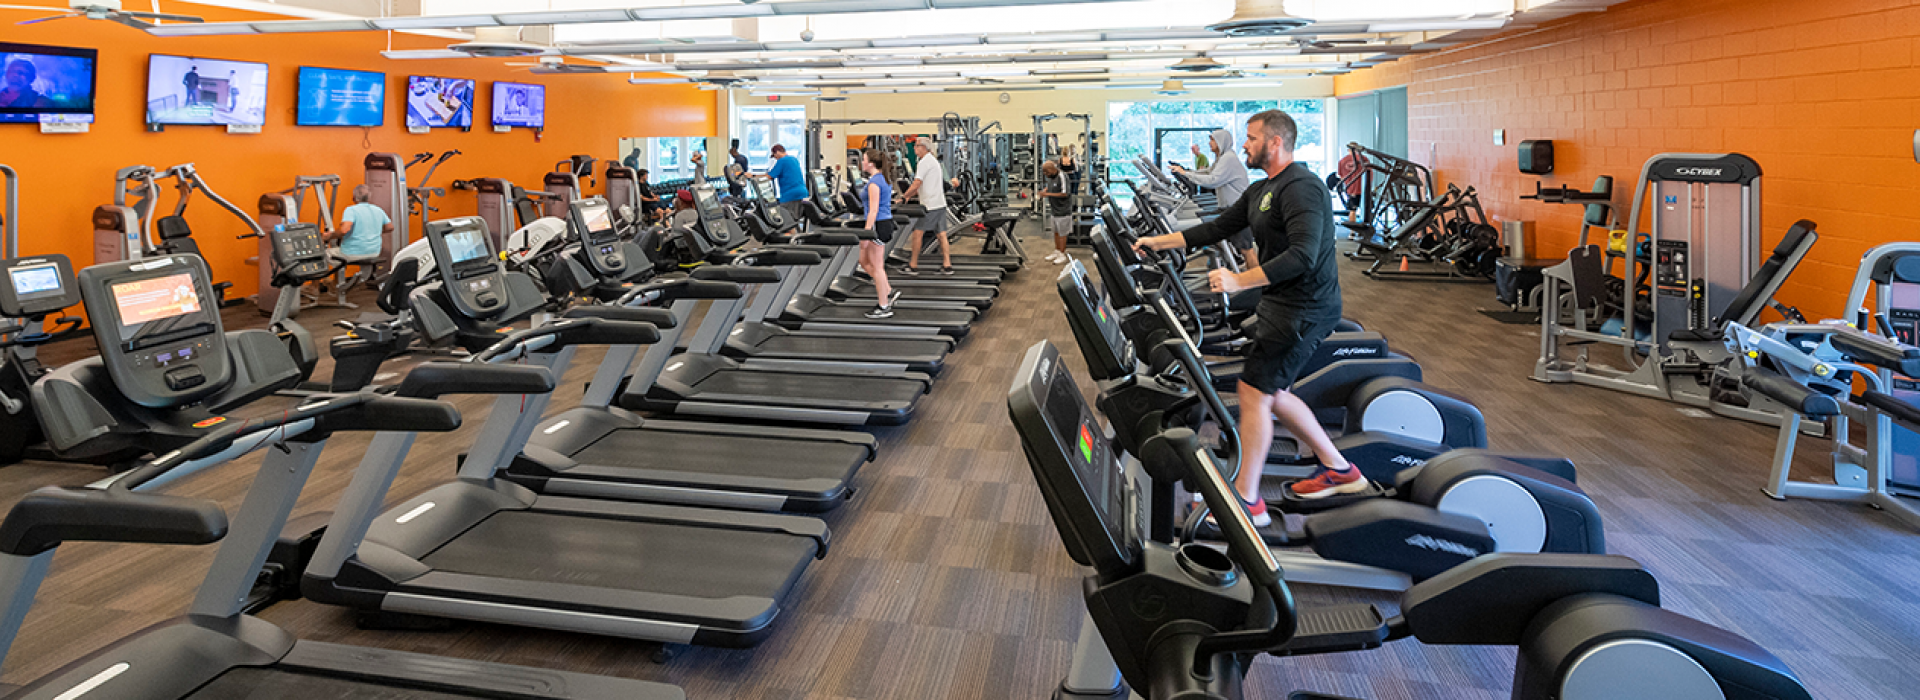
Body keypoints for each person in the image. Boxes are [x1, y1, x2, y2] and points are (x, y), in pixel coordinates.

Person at [1134, 109, 1357, 527]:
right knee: (1272, 392)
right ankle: (1339, 468)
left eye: (1252, 138)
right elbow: (1215, 227)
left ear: (1276, 142)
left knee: (1254, 392)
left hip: (1304, 309)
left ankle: (1248, 501)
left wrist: (1240, 281)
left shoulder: (1303, 188)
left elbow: (1304, 255)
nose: (1246, 145)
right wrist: (1156, 241)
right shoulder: (1261, 190)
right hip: (1282, 305)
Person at [1171, 128, 1255, 262]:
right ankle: (1230, 261)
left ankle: (1255, 280)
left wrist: (1186, 174)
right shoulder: (1222, 158)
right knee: (1214, 234)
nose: (1209, 143)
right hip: (1228, 208)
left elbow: (1213, 180)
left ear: (1221, 142)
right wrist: (1186, 172)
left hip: (1237, 209)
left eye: (1212, 140)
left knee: (1246, 249)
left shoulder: (1228, 158)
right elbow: (1207, 172)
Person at [857, 148, 901, 319]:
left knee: (876, 266)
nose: (862, 162)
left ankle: (884, 306)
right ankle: (888, 291)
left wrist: (866, 234)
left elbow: (873, 210)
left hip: (878, 224)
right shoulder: (882, 178)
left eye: (864, 159)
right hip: (882, 222)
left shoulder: (875, 182)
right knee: (864, 261)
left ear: (871, 163)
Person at [899, 139, 953, 275]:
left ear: (923, 147)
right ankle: (947, 265)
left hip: (930, 205)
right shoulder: (933, 161)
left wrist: (904, 197)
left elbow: (917, 183)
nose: (915, 149)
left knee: (917, 233)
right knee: (941, 235)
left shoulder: (924, 162)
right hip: (939, 203)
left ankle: (913, 265)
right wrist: (911, 195)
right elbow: (922, 185)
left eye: (916, 146)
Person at [331, 185, 392, 259]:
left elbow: (344, 230)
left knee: (328, 253)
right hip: (374, 252)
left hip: (352, 253)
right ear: (369, 197)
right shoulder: (378, 209)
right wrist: (373, 231)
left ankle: (339, 269)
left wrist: (329, 236)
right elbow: (390, 227)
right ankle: (364, 271)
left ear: (353, 197)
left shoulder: (351, 210)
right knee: (365, 267)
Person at [762, 144, 810, 221]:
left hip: (790, 195)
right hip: (802, 193)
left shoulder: (782, 161)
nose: (775, 158)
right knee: (794, 219)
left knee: (785, 219)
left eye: (774, 156)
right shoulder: (794, 159)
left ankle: (791, 233)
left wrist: (753, 176)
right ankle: (795, 232)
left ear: (777, 152)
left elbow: (769, 176)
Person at [1040, 161, 1073, 265]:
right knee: (1056, 232)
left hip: (1063, 210)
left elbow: (1065, 193)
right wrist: (1044, 191)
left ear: (1052, 169)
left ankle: (1062, 254)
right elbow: (1049, 187)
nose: (1045, 174)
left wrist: (1048, 194)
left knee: (1062, 233)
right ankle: (1057, 251)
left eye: (1046, 171)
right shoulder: (1051, 176)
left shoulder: (1062, 176)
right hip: (1055, 210)